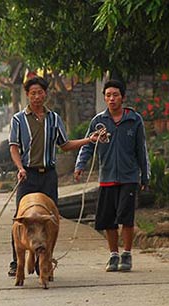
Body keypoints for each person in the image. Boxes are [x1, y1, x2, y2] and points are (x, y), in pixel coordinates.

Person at [7, 76, 100, 276]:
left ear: (45, 94)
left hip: (48, 176)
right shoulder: (18, 119)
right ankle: (17, 262)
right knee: (21, 219)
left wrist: (88, 140)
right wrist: (20, 168)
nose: (37, 97)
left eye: (40, 93)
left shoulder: (54, 119)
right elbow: (14, 147)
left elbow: (64, 145)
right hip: (28, 175)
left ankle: (45, 260)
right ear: (27, 95)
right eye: (33, 93)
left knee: (50, 219)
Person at [74, 79, 150, 272]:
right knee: (108, 219)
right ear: (104, 98)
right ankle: (113, 255)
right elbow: (88, 145)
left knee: (126, 217)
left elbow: (142, 149)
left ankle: (127, 254)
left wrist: (145, 175)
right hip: (107, 176)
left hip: (129, 176)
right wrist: (80, 165)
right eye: (108, 95)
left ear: (123, 97)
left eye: (115, 95)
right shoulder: (99, 122)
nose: (112, 99)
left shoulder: (134, 119)